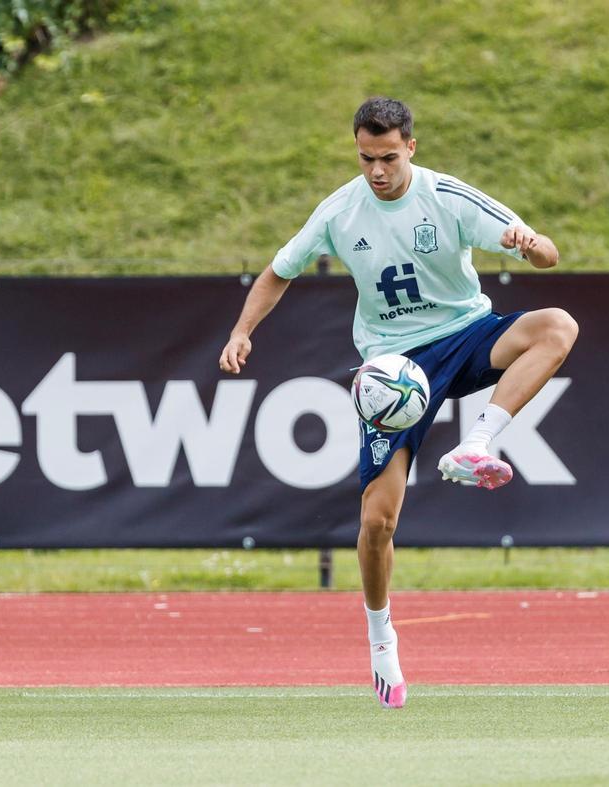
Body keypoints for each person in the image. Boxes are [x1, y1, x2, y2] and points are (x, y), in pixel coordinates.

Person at [218, 97, 577, 709]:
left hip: (464, 337)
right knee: (377, 521)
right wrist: (241, 330)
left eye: (388, 157)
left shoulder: (450, 199)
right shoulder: (339, 210)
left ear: (411, 146)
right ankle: (381, 638)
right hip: (392, 370)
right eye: (366, 158)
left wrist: (530, 241)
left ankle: (476, 443)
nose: (377, 170)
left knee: (557, 327)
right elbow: (279, 271)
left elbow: (548, 255)